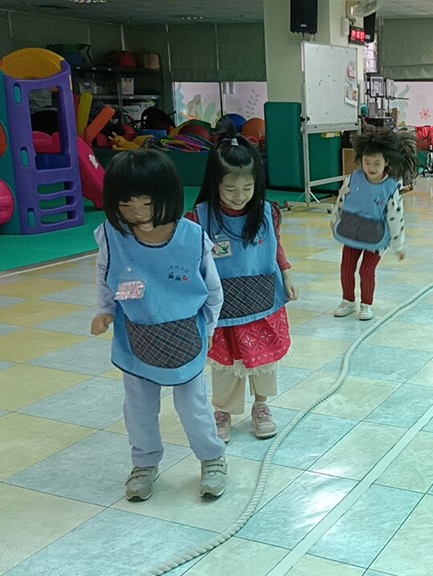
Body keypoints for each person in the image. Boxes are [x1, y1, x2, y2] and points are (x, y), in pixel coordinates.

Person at [90, 149, 227, 501]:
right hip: (135, 336)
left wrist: (210, 329)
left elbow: (213, 289)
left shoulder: (192, 237)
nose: (137, 213)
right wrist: (105, 310)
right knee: (138, 407)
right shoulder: (111, 235)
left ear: (168, 196)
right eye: (126, 204)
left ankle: (211, 457)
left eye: (147, 203)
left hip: (185, 335)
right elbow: (105, 276)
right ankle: (144, 462)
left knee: (193, 405)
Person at [188, 128, 298, 444]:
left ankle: (261, 406)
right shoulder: (200, 217)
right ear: (214, 183)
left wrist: (287, 275)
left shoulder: (267, 212)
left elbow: (276, 247)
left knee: (264, 359)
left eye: (247, 187)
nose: (239, 195)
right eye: (230, 188)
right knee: (225, 364)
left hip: (264, 299)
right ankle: (222, 411)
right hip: (222, 307)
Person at [331, 129, 416, 321]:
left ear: (386, 162)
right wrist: (336, 219)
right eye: (367, 162)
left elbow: (396, 217)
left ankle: (366, 304)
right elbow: (342, 199)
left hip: (377, 237)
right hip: (353, 230)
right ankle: (348, 300)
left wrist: (398, 245)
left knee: (366, 271)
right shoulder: (354, 178)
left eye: (377, 163)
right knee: (346, 267)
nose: (371, 167)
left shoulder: (390, 187)